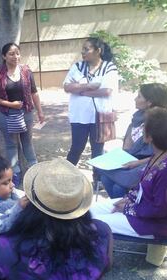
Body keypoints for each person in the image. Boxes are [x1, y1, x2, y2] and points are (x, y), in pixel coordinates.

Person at [0, 158, 112, 279]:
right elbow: (106, 265)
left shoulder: (4, 247)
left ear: (31, 202)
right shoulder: (101, 231)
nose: (12, 186)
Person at [90, 108, 167, 263]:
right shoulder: (165, 151)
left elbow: (160, 210)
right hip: (141, 207)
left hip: (154, 224)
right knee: (87, 213)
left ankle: (92, 263)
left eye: (143, 127)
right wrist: (128, 198)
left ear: (149, 137)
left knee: (91, 224)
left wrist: (128, 208)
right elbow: (144, 185)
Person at [99, 83, 167, 198]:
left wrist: (137, 162)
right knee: (105, 177)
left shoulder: (164, 122)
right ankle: (120, 208)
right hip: (132, 160)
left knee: (119, 187)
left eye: (139, 96)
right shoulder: (138, 117)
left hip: (152, 164)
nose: (135, 99)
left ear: (149, 102)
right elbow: (128, 145)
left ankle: (126, 211)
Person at [0, 42, 45, 185]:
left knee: (27, 143)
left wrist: (40, 111)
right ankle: (16, 179)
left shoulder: (26, 71)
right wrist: (9, 104)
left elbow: (34, 92)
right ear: (4, 56)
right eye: (11, 54)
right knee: (11, 146)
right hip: (6, 115)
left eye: (17, 53)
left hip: (26, 113)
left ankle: (35, 176)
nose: (15, 56)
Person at [63, 37, 118, 185]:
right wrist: (90, 86)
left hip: (100, 116)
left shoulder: (109, 67)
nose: (83, 52)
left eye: (87, 49)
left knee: (97, 149)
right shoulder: (78, 67)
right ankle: (65, 177)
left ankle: (98, 180)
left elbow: (106, 91)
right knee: (76, 148)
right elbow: (67, 87)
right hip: (79, 116)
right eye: (83, 49)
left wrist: (80, 90)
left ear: (98, 51)